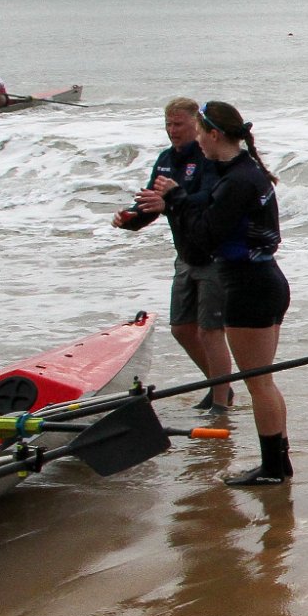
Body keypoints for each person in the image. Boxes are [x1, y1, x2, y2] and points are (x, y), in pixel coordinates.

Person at [160, 100, 292, 485]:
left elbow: (202, 239)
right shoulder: (243, 171)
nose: (196, 140)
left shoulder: (237, 181)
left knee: (259, 383)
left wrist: (174, 202)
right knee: (264, 380)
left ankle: (272, 469)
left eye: (200, 132)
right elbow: (208, 207)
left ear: (214, 134)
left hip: (247, 287)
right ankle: (279, 463)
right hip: (266, 280)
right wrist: (183, 199)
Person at [112, 98, 236, 413]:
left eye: (178, 124)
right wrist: (131, 219)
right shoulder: (167, 159)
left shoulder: (209, 157)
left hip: (214, 256)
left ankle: (220, 402)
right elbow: (152, 203)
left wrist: (172, 199)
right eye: (168, 124)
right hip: (185, 254)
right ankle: (220, 385)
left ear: (197, 124)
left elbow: (209, 199)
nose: (172, 131)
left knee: (211, 331)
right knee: (182, 328)